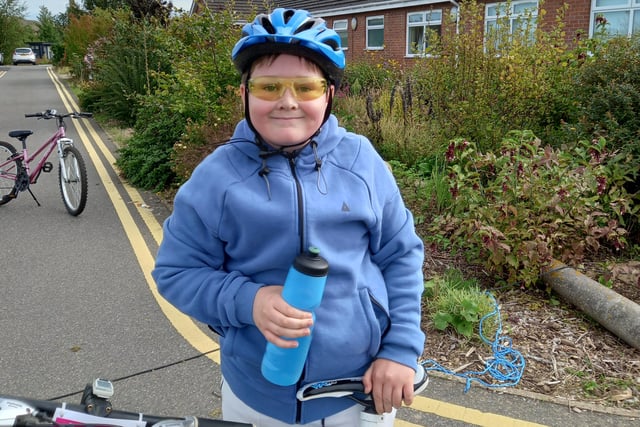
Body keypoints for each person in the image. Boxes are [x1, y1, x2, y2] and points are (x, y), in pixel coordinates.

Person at [152, 8, 425, 426]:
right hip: (256, 397)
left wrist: (400, 350)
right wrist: (251, 300)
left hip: (358, 390)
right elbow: (176, 272)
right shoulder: (217, 178)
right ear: (243, 93)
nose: (287, 101)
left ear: (328, 95)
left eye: (306, 86)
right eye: (269, 86)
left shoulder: (361, 162)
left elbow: (401, 256)